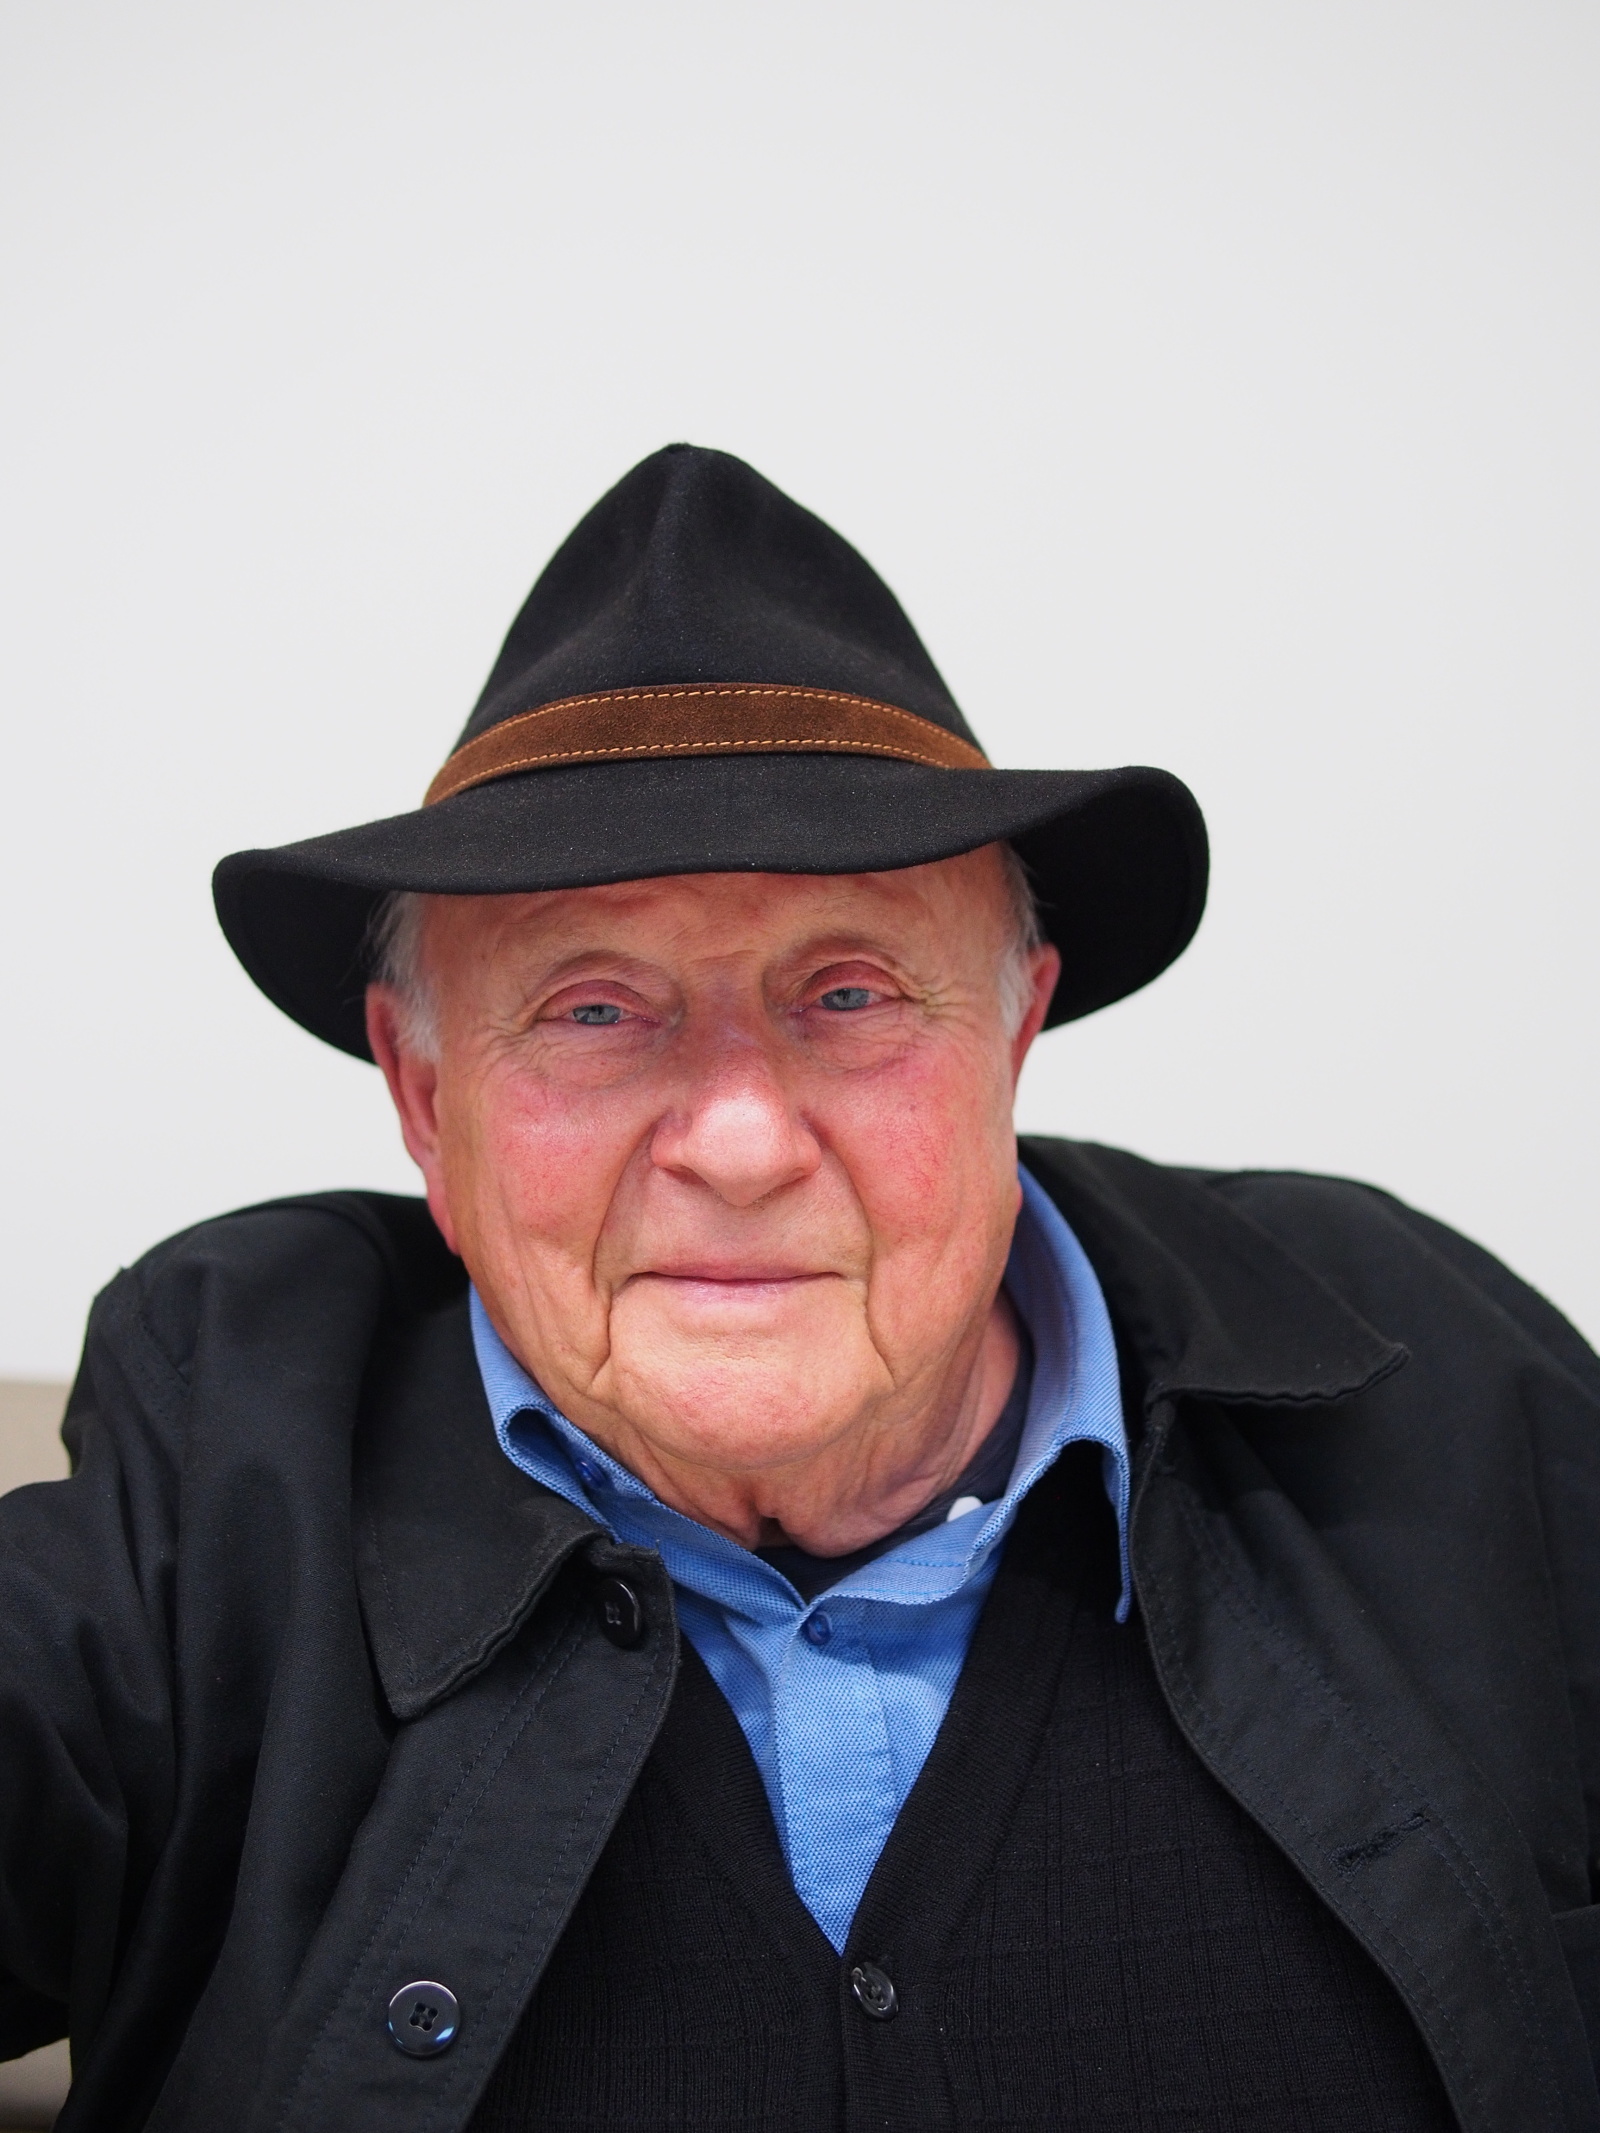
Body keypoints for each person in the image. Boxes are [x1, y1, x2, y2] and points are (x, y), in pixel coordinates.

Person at [1, 446, 1596, 2133]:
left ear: (1014, 1031)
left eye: (849, 992)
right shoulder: (233, 1426)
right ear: (424, 1092)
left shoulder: (1427, 1372)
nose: (745, 1141)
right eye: (595, 1009)